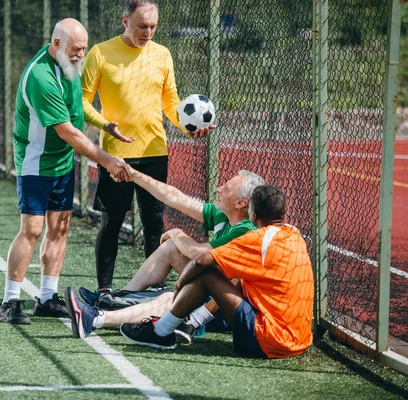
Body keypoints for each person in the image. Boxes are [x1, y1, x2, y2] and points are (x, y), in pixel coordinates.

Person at [0, 18, 130, 325]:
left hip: (62, 162)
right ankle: (9, 300)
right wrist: (107, 160)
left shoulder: (68, 65)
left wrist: (102, 124)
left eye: (83, 49)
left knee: (60, 229)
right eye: (76, 49)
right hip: (35, 162)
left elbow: (77, 107)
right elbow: (68, 131)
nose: (81, 55)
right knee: (32, 230)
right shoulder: (40, 76)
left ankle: (46, 297)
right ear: (57, 44)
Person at [81, 0, 215, 293]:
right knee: (111, 222)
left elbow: (171, 103)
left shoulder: (163, 54)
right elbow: (82, 101)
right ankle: (104, 289)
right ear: (125, 21)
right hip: (115, 155)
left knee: (154, 223)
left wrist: (187, 128)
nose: (148, 32)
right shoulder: (100, 53)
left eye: (153, 26)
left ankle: (154, 289)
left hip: (155, 151)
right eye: (142, 26)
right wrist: (105, 126)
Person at [65, 167, 265, 342]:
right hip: (208, 286)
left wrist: (177, 233)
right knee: (171, 249)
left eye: (226, 188)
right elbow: (175, 197)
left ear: (241, 203)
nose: (218, 188)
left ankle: (96, 317)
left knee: (171, 297)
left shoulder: (246, 230)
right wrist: (134, 176)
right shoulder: (225, 214)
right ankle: (114, 299)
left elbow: (197, 253)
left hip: (219, 308)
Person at [120, 185, 314, 358]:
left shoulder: (258, 239)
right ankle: (192, 323)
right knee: (239, 275)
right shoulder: (295, 235)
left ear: (253, 214)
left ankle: (160, 331)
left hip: (268, 341)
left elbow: (202, 260)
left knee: (207, 273)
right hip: (300, 340)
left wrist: (179, 284)